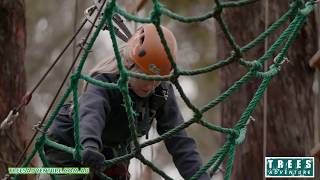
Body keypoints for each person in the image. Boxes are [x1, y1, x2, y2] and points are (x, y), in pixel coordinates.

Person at [40, 24, 210, 180]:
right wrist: (89, 146)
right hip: (69, 146)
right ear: (129, 64)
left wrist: (200, 177)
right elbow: (92, 111)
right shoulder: (106, 81)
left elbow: (179, 140)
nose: (151, 85)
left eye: (157, 79)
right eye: (146, 76)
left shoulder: (161, 92)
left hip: (109, 153)